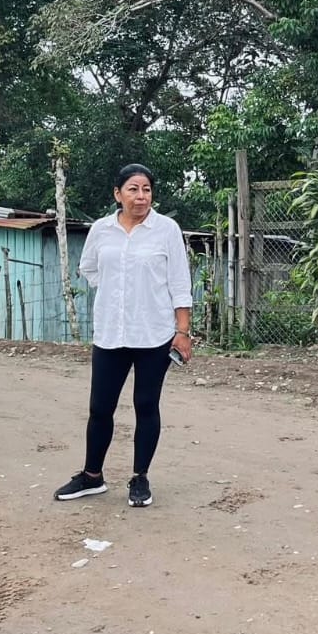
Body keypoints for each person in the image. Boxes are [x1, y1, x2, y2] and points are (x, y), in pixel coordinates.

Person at [55, 164, 193, 509]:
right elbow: (88, 268)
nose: (141, 196)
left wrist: (182, 331)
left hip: (154, 334)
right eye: (133, 189)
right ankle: (92, 476)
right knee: (100, 407)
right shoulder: (101, 230)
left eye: (146, 189)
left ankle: (140, 478)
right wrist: (118, 289)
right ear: (118, 194)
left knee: (145, 405)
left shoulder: (166, 230)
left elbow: (180, 282)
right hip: (110, 333)